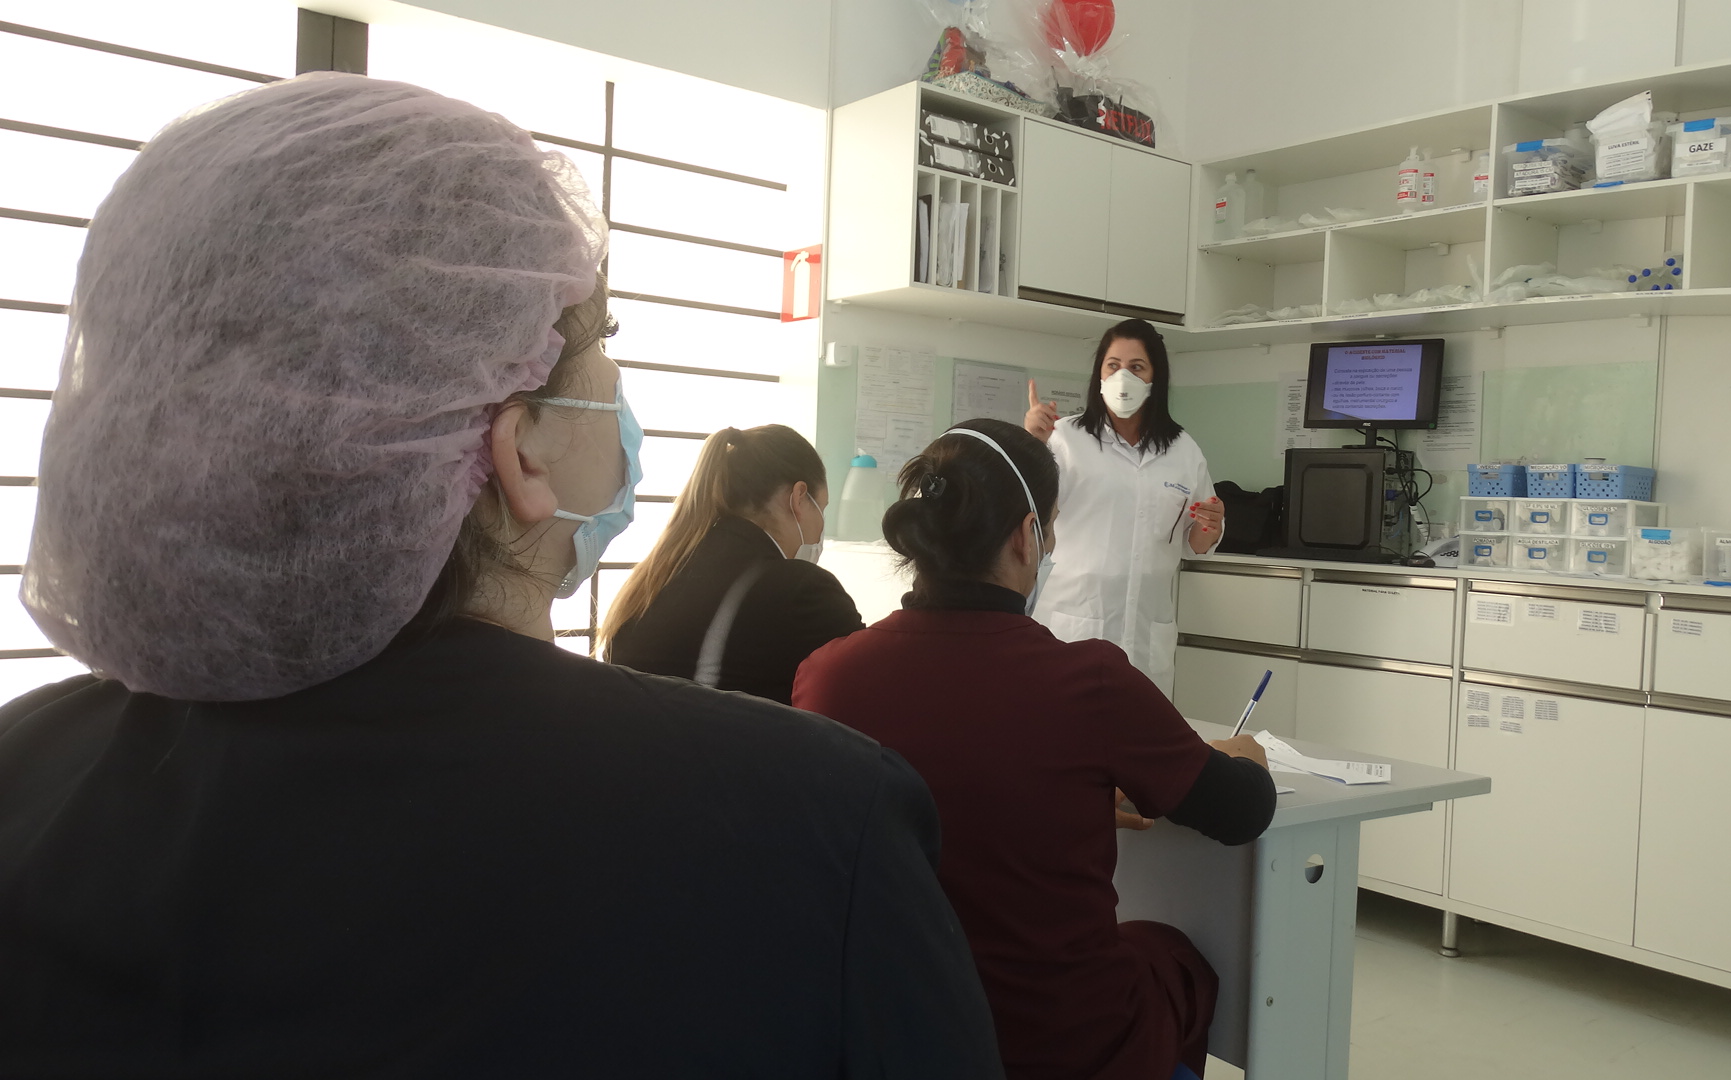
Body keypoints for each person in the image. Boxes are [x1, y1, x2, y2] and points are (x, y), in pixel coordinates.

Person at [0, 73, 1001, 1078]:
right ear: (520, 452)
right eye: (603, 340)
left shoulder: (26, 770)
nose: (618, 383)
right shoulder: (814, 830)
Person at [793, 419, 1276, 1080]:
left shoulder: (827, 674)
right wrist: (1245, 758)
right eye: (1050, 528)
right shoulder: (1090, 682)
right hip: (1054, 1042)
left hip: (889, 1033)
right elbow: (1242, 811)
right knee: (1175, 955)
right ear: (1028, 536)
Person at [1025, 319, 1225, 697]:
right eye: (1113, 365)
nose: (1123, 377)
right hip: (1074, 629)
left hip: (1147, 635)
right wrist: (1032, 442)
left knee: (1141, 728)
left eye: (1137, 367)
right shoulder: (1064, 439)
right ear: (1099, 374)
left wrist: (1210, 528)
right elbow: (1023, 512)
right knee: (1066, 726)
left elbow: (1194, 543)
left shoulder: (1183, 451)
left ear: (1155, 377)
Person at [601, 425, 862, 704]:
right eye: (822, 507)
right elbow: (866, 690)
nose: (821, 526)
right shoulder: (803, 591)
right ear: (799, 497)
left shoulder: (656, 578)